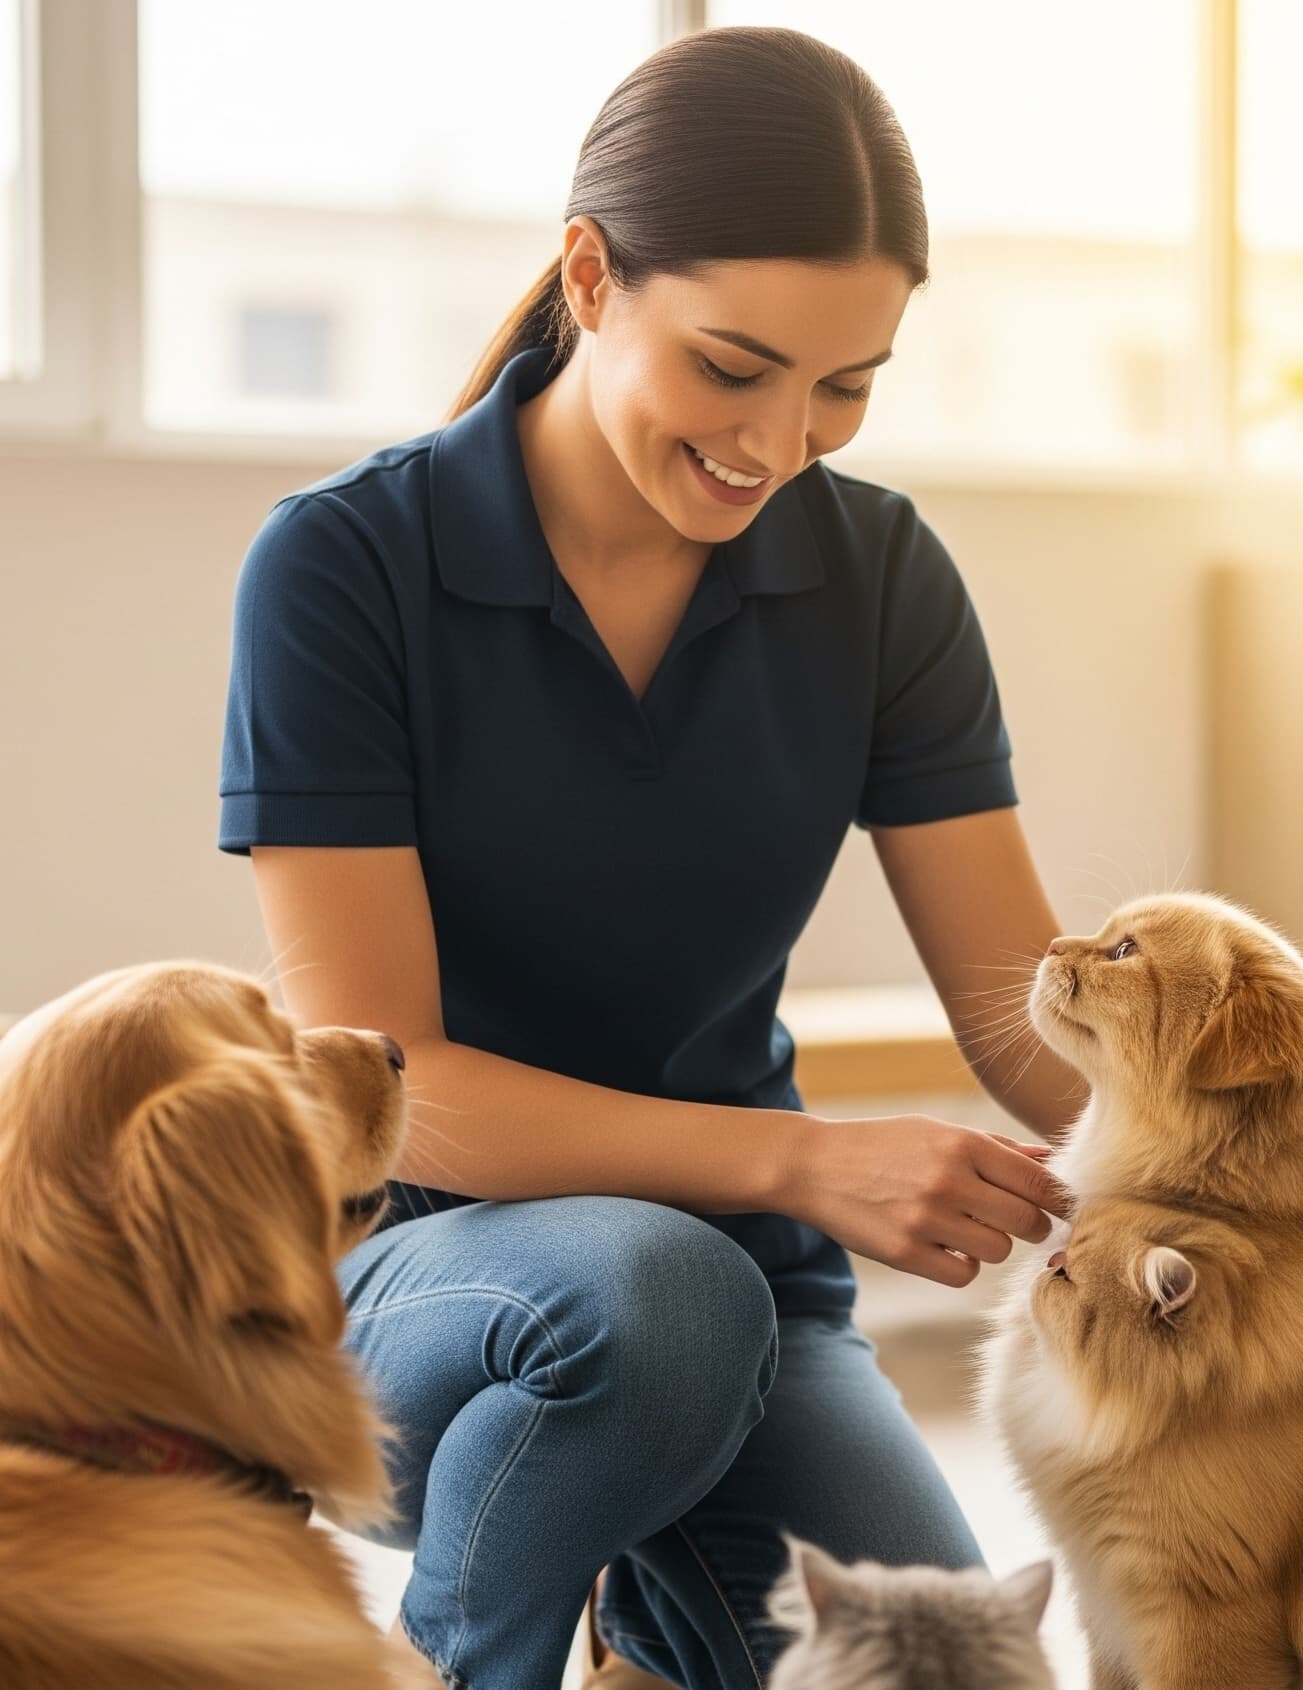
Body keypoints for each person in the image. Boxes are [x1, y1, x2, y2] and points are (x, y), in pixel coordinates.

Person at [218, 24, 1085, 1690]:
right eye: (733, 366)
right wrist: (802, 1163)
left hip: (750, 1308)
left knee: (958, 1661)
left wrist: (1255, 1157)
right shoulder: (341, 566)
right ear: (591, 274)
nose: (781, 441)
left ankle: (649, 1619)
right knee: (658, 1297)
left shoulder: (884, 574)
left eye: (847, 384)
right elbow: (383, 1075)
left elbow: (1018, 1015)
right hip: (407, 1296)